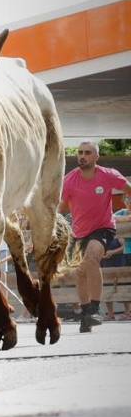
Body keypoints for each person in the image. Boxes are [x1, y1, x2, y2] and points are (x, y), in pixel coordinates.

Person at [59, 141, 129, 332]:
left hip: (103, 228)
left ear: (96, 156)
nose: (82, 155)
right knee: (79, 273)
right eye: (80, 152)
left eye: (87, 152)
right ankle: (86, 313)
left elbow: (127, 188)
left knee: (92, 256)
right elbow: (61, 208)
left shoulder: (108, 175)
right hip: (79, 232)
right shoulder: (70, 180)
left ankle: (95, 308)